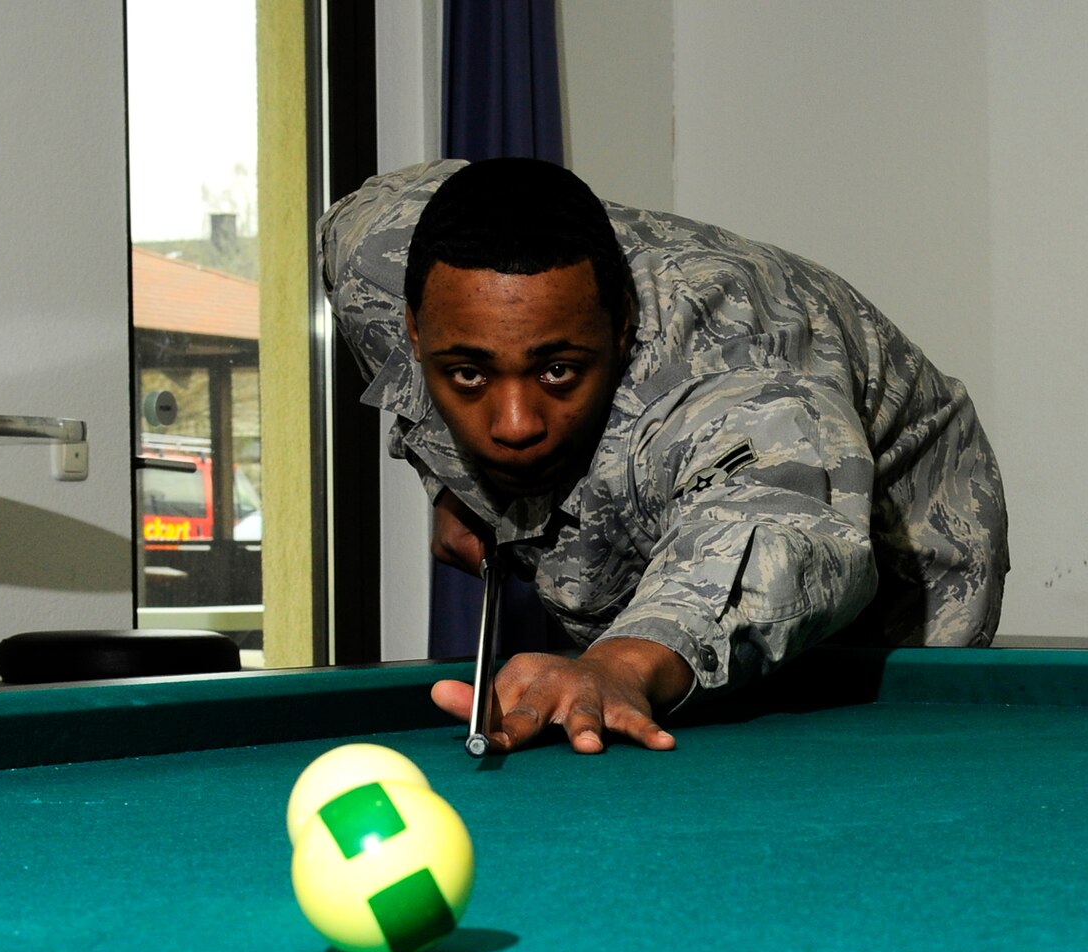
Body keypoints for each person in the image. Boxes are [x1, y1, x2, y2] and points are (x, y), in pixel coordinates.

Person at [320, 157, 1008, 755]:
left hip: (894, 550)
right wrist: (452, 480)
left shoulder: (733, 364)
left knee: (832, 770)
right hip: (647, 480)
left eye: (557, 370)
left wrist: (622, 660)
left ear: (621, 325)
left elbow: (774, 528)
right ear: (410, 325)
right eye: (468, 374)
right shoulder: (372, 254)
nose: (514, 425)